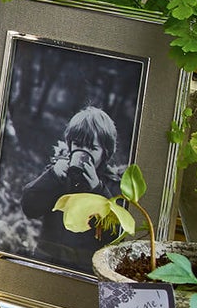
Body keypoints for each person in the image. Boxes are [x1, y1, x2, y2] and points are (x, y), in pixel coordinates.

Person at [18, 105, 122, 269]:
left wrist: (98, 189)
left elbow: (115, 234)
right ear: (69, 144)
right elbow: (29, 207)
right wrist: (53, 176)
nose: (83, 151)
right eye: (77, 144)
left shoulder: (111, 185)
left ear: (105, 152)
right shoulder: (58, 174)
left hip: (86, 269)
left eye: (92, 148)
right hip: (46, 262)